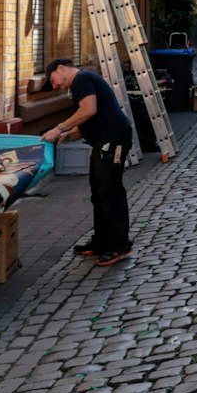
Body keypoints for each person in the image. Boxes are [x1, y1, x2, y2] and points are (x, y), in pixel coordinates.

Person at [42, 58, 134, 266]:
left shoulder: (81, 79)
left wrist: (59, 128)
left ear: (61, 68)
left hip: (113, 139)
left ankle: (119, 245)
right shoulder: (83, 81)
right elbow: (89, 121)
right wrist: (67, 136)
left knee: (109, 191)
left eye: (53, 80)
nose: (54, 86)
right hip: (104, 141)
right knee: (98, 191)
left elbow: (88, 110)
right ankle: (101, 241)